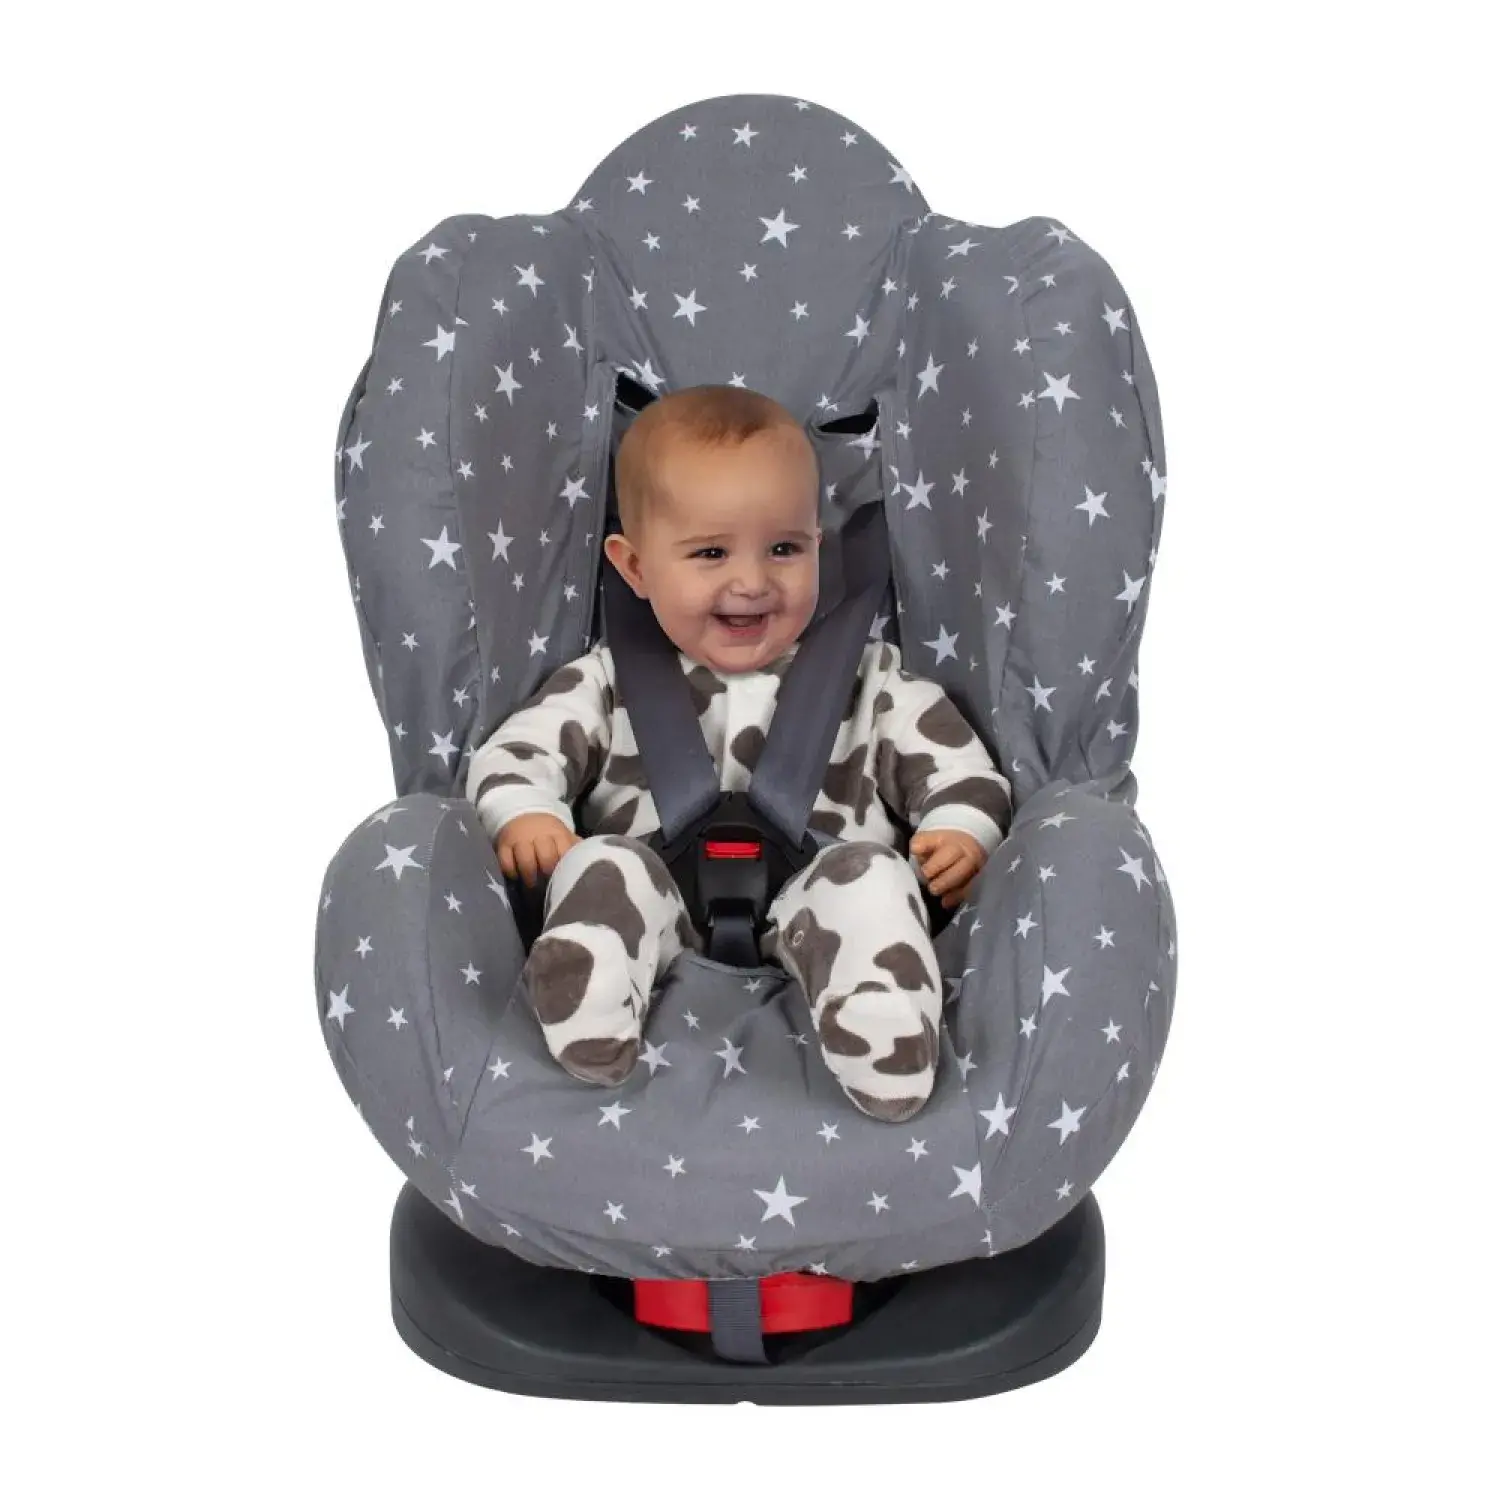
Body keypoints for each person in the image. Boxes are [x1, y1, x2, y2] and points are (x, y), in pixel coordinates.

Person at [465, 384, 1012, 1122]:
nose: (752, 581)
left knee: (874, 879)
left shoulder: (868, 679)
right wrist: (525, 812)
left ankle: (883, 1029)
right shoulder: (608, 681)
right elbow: (516, 751)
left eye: (784, 548)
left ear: (818, 543)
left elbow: (959, 765)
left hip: (819, 900)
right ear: (634, 567)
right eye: (711, 552)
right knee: (601, 866)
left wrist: (961, 830)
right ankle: (592, 994)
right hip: (657, 905)